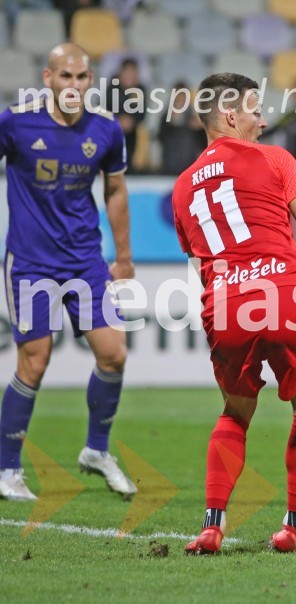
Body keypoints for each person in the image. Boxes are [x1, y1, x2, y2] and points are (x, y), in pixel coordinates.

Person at [172, 73, 296, 555]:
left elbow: (202, 264)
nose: (264, 122)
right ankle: (292, 526)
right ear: (230, 116)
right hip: (285, 294)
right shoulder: (276, 159)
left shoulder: (181, 188)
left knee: (235, 412)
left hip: (226, 305)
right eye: (256, 111)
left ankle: (212, 525)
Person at [0, 43, 136, 501]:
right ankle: (6, 468)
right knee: (35, 360)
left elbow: (115, 190)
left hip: (85, 261)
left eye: (81, 77)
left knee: (113, 353)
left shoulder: (105, 129)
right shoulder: (15, 122)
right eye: (65, 76)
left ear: (90, 80)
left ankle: (96, 450)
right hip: (31, 262)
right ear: (48, 78)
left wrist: (124, 256)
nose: (73, 86)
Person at [158, 81, 206, 176]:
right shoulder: (166, 117)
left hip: (190, 167)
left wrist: (200, 128)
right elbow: (160, 138)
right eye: (177, 95)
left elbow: (203, 143)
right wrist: (171, 122)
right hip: (169, 167)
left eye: (182, 95)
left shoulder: (195, 118)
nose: (180, 99)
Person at [106, 58, 146, 170]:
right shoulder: (112, 88)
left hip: (131, 134)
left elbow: (142, 114)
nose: (129, 76)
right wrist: (118, 120)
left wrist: (132, 121)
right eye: (127, 72)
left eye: (132, 73)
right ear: (120, 73)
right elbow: (106, 109)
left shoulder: (140, 90)